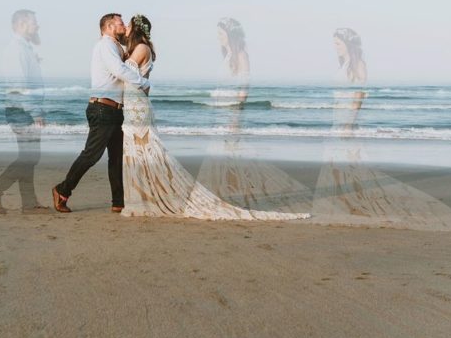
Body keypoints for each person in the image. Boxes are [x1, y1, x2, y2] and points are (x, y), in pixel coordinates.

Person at [311, 28, 451, 231]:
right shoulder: (343, 64)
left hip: (346, 120)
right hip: (336, 118)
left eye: (338, 43)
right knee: (333, 162)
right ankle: (340, 203)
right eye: (334, 43)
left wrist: (348, 124)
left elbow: (359, 96)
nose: (335, 47)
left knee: (351, 163)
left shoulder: (359, 65)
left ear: (349, 44)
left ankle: (358, 204)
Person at [120, 14, 309, 221]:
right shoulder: (226, 55)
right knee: (140, 152)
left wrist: (236, 112)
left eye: (221, 33)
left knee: (145, 151)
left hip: (142, 106)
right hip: (138, 104)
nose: (125, 28)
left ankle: (230, 195)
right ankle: (145, 194)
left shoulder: (141, 49)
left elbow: (124, 71)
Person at [51, 13, 149, 213]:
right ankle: (62, 190)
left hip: (116, 110)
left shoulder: (116, 47)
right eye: (121, 24)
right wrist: (144, 83)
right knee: (91, 155)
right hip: (102, 108)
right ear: (110, 26)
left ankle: (118, 202)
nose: (124, 27)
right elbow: (119, 70)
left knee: (116, 158)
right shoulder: (105, 46)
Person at [0, 9, 49, 214]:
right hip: (21, 111)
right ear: (21, 24)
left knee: (28, 156)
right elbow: (20, 85)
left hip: (22, 109)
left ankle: (29, 204)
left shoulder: (24, 48)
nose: (37, 26)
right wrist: (35, 111)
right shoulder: (17, 50)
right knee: (29, 157)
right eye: (33, 23)